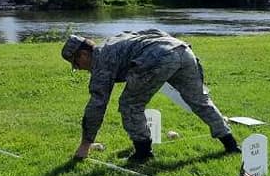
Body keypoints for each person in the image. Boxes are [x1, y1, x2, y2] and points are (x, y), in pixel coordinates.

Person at [61, 30, 240, 163]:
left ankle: (143, 152)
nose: (78, 68)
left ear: (83, 54)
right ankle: (230, 144)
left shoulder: (100, 61)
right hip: (182, 50)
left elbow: (97, 104)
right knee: (200, 100)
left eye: (75, 64)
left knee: (130, 104)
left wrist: (85, 144)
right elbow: (153, 33)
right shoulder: (112, 42)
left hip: (158, 58)